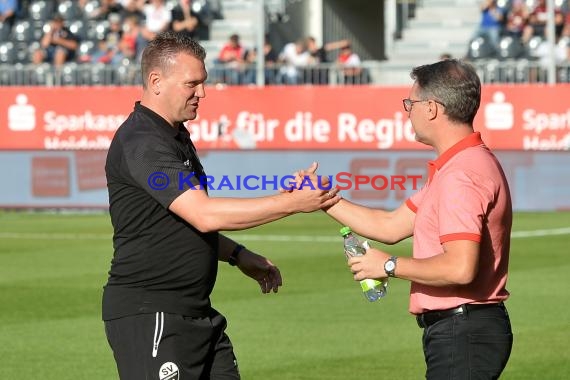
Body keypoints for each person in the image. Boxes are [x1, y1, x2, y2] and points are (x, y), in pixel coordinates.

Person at [103, 31, 339, 380]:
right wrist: (291, 203)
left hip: (197, 315)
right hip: (152, 314)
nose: (203, 93)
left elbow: (181, 224)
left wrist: (238, 255)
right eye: (192, 83)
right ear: (156, 81)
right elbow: (203, 213)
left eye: (204, 82)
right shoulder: (143, 142)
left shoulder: (175, 136)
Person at [306, 59, 514, 378]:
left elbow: (460, 268)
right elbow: (389, 227)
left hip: (463, 330)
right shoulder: (458, 166)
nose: (407, 112)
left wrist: (388, 265)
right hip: (463, 329)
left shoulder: (461, 174)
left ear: (431, 108)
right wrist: (320, 197)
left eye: (410, 103)